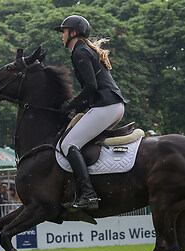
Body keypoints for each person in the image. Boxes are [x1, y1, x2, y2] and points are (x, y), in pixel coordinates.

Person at [54, 15, 128, 210]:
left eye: (63, 31)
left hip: (106, 106)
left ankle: (89, 195)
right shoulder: (84, 50)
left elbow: (91, 87)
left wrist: (71, 105)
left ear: (73, 33)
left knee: (68, 143)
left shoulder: (80, 52)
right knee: (81, 141)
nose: (61, 35)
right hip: (112, 106)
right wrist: (76, 108)